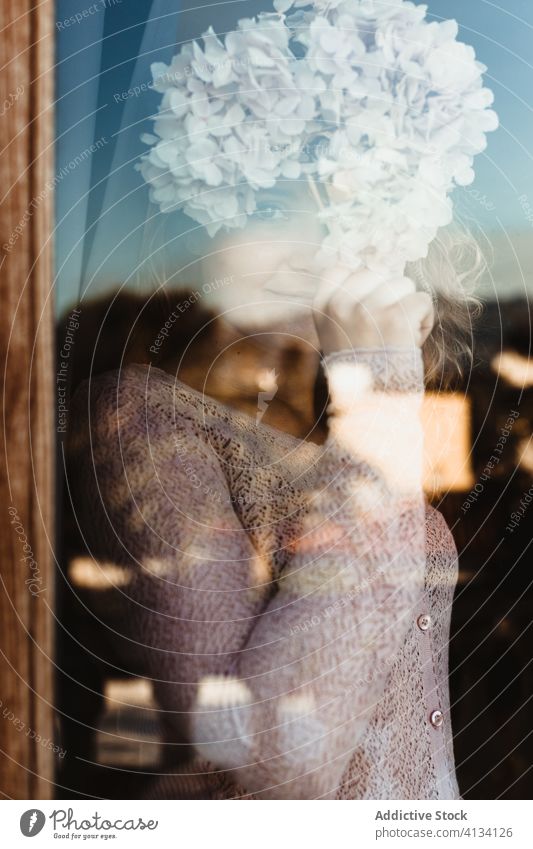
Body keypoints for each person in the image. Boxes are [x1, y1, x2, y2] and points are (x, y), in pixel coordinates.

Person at [67, 176, 467, 799]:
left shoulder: (316, 415)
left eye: (346, 218)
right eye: (269, 207)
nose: (317, 249)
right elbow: (265, 765)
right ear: (192, 223)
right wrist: (379, 395)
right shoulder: (143, 418)